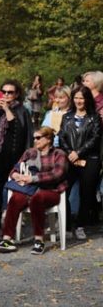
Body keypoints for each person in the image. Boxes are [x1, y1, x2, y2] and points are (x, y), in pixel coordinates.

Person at [0, 127, 67, 255]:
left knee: (37, 198)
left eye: (38, 138)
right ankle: (7, 240)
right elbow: (14, 170)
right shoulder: (30, 153)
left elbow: (57, 174)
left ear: (48, 139)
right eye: (34, 138)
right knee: (16, 198)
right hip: (28, 189)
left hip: (51, 190)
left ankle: (39, 240)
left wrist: (33, 178)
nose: (35, 140)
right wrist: (16, 175)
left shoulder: (58, 154)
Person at [0, 79, 33, 217]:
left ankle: (11, 215)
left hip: (14, 155)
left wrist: (6, 109)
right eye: (4, 92)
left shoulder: (22, 110)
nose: (6, 95)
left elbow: (17, 129)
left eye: (10, 92)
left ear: (17, 94)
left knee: (11, 186)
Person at [58, 87, 101, 240]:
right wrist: (71, 153)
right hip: (70, 158)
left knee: (86, 193)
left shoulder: (94, 117)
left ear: (87, 99)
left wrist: (79, 153)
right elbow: (61, 136)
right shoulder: (67, 117)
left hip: (90, 159)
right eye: (76, 97)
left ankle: (81, 225)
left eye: (82, 98)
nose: (78, 101)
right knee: (64, 190)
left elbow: (95, 139)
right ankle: (68, 223)